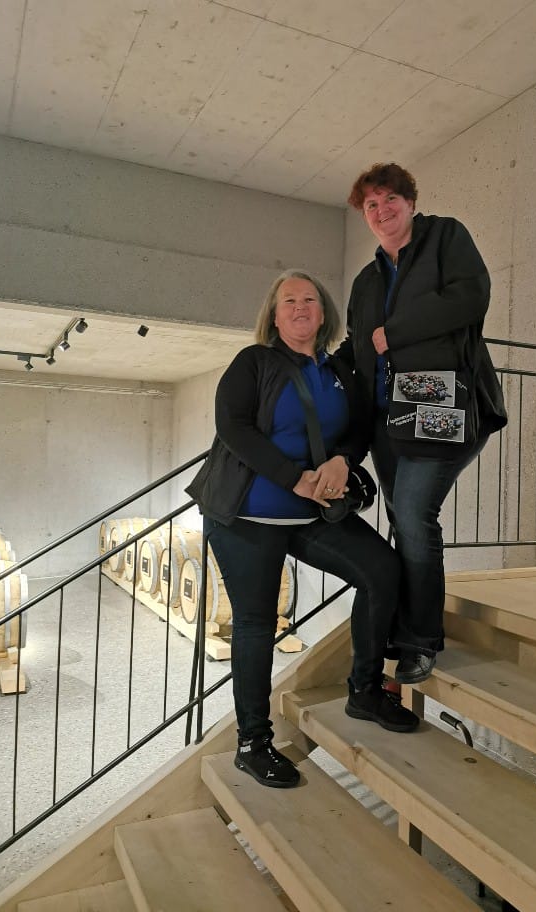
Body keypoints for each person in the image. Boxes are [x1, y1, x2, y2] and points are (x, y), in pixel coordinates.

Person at [186, 269, 419, 790]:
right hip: (247, 516)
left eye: (309, 299)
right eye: (288, 300)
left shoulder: (337, 370)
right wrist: (295, 478)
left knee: (381, 570)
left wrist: (342, 460)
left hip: (310, 515)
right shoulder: (254, 362)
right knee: (255, 625)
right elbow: (233, 427)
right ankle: (253, 743)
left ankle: (364, 690)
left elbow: (359, 427)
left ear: (323, 312)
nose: (299, 307)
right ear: (274, 315)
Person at [337, 163, 507, 686]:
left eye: (390, 198)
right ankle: (403, 622)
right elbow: (358, 345)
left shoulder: (445, 238)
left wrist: (396, 332)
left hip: (442, 401)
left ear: (410, 202)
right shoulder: (366, 281)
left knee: (412, 513)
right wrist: (311, 366)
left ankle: (421, 639)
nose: (381, 210)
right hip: (389, 417)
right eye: (371, 205)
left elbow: (470, 297)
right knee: (401, 517)